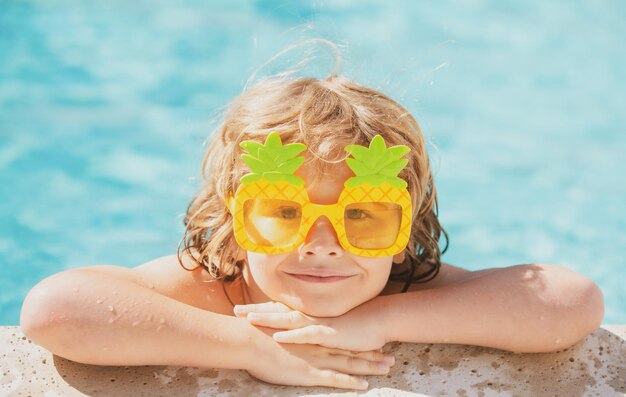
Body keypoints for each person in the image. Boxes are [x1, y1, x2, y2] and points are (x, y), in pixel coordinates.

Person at [19, 62, 604, 391]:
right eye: (283, 212)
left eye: (361, 215)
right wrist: (249, 346)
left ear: (404, 230)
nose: (321, 247)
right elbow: (55, 311)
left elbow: (570, 302)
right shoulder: (216, 287)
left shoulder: (402, 285)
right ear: (233, 220)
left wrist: (379, 320)